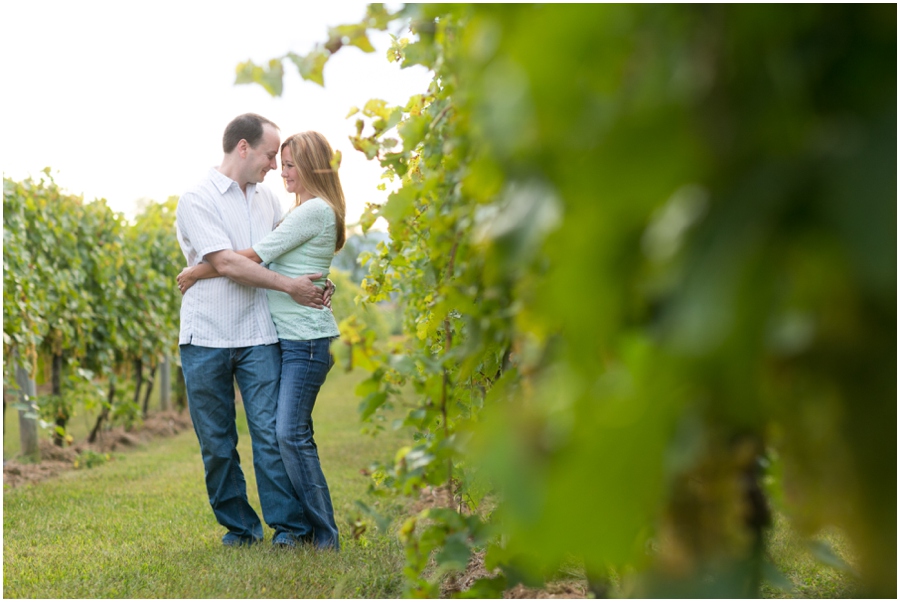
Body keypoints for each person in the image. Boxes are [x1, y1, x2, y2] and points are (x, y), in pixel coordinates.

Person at [178, 131, 345, 550]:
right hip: (208, 333)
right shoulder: (197, 197)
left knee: (277, 436)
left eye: (286, 162)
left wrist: (200, 269)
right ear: (243, 147)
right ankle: (241, 529)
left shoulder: (273, 202)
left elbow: (263, 256)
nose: (276, 168)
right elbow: (241, 260)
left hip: (262, 334)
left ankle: (294, 530)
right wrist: (295, 282)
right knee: (218, 443)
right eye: (274, 157)